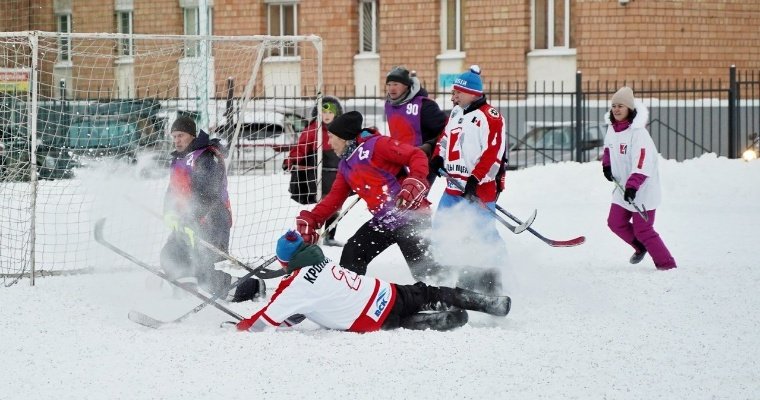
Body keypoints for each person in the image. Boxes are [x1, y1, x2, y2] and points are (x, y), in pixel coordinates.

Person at [235, 230, 511, 333]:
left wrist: (242, 325)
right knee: (428, 292)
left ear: (285, 263)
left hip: (372, 318)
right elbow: (297, 312)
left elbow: (264, 321)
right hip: (387, 292)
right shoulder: (323, 263)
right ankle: (486, 302)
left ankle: (439, 320)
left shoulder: (296, 286)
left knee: (399, 322)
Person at [294, 110, 443, 282]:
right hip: (384, 221)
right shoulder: (346, 165)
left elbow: (416, 155)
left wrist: (415, 179)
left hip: (410, 216)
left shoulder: (377, 145)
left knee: (427, 273)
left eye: (331, 137)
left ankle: (455, 296)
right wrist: (313, 219)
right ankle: (352, 294)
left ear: (343, 137)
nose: (329, 142)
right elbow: (335, 198)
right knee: (353, 252)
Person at [161, 115, 263, 301]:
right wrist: (169, 213)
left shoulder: (206, 157)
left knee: (203, 272)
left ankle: (253, 287)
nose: (176, 140)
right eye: (174, 136)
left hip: (212, 220)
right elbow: (173, 190)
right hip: (187, 222)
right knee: (170, 255)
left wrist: (191, 221)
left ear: (192, 135)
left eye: (181, 135)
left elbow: (208, 195)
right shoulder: (179, 159)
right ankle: (185, 292)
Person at [430, 66, 508, 295]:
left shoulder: (490, 117)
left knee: (483, 236)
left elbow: (494, 153)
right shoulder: (456, 113)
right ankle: (454, 275)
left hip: (479, 188)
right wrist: (437, 158)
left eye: (457, 92)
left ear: (472, 92)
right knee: (443, 230)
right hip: (453, 187)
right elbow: (444, 140)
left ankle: (497, 278)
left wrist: (475, 180)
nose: (453, 97)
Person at [602, 87, 677, 270]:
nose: (616, 109)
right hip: (622, 188)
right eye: (614, 106)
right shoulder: (612, 130)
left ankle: (667, 264)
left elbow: (642, 163)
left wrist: (633, 186)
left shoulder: (638, 134)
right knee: (615, 222)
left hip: (641, 190)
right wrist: (607, 165)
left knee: (643, 230)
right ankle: (640, 247)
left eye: (621, 106)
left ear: (629, 109)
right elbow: (608, 149)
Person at [283, 96, 345, 246]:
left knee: (337, 206)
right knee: (326, 204)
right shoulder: (313, 129)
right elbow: (301, 147)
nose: (327, 115)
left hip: (337, 173)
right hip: (320, 175)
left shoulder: (342, 129)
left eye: (331, 112)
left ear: (337, 113)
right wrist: (290, 160)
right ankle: (314, 232)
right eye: (324, 112)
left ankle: (330, 235)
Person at [384, 66, 447, 184]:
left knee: (414, 198)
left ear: (406, 85)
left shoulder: (424, 106)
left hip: (423, 161)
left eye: (396, 84)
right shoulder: (389, 104)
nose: (391, 88)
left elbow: (446, 129)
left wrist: (430, 147)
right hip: (400, 160)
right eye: (389, 84)